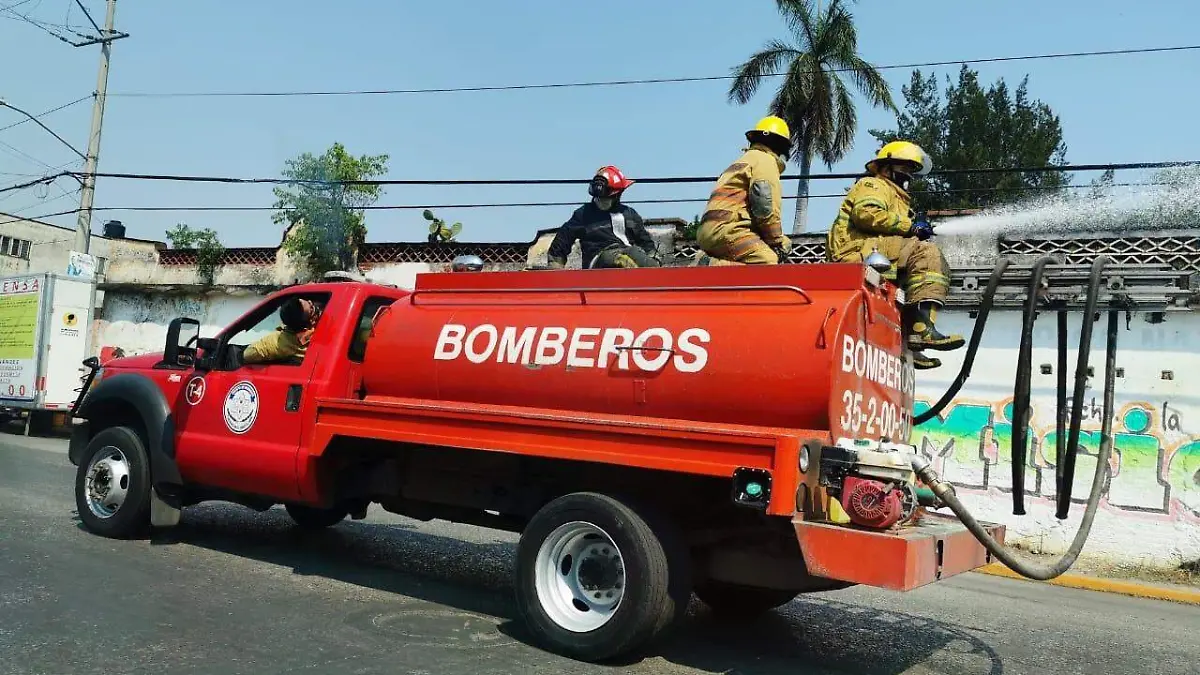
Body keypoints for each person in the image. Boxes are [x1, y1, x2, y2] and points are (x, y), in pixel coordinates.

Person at [825, 140, 964, 370]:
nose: (908, 174)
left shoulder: (897, 196)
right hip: (856, 251)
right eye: (904, 168)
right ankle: (923, 329)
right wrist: (910, 226)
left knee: (910, 284)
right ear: (886, 167)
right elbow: (867, 214)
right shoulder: (875, 185)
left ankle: (913, 343)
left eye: (911, 170)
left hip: (873, 249)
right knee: (926, 252)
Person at [694, 115, 794, 266]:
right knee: (768, 263)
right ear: (781, 146)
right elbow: (764, 207)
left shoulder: (744, 160)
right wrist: (776, 241)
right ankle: (708, 265)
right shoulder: (765, 160)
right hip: (727, 230)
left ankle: (711, 264)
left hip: (709, 231)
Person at [547, 166, 661, 269]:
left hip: (628, 252)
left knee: (637, 255)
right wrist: (555, 268)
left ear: (617, 195)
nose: (602, 202)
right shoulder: (583, 215)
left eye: (607, 198)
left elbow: (645, 242)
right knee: (618, 259)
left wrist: (653, 259)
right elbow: (561, 241)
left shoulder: (630, 214)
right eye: (600, 198)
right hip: (597, 261)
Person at [243, 296, 322, 365]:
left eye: (308, 301)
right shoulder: (319, 337)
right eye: (311, 309)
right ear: (310, 322)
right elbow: (249, 354)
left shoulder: (280, 341)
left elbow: (249, 353)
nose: (311, 302)